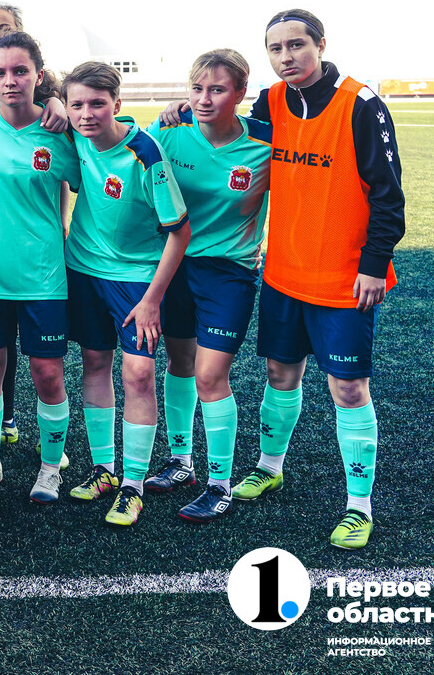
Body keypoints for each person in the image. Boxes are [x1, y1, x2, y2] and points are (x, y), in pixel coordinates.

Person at [161, 10, 402, 548]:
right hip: (283, 272)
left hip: (344, 278)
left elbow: (389, 194)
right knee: (279, 372)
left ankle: (358, 506)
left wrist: (373, 264)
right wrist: (183, 107)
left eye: (296, 45)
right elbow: (225, 127)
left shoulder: (360, 104)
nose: (286, 56)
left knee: (348, 387)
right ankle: (270, 466)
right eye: (276, 48)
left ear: (321, 44)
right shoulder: (271, 102)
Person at [139, 50, 272, 523]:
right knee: (179, 363)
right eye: (197, 89)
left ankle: (220, 484)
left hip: (229, 273)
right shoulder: (169, 132)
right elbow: (125, 155)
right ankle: (181, 461)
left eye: (217, 90)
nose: (204, 99)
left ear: (241, 92)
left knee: (211, 377)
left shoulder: (266, 144)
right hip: (173, 266)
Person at [62, 61, 191, 527]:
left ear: (117, 104)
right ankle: (104, 469)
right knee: (95, 363)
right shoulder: (73, 134)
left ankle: (132, 486)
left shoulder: (145, 154)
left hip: (136, 279)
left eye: (97, 104)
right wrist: (55, 103)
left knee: (138, 374)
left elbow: (179, 232)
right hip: (83, 269)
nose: (86, 114)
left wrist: (152, 300)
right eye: (77, 104)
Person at [0, 31, 81, 503]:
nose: (10, 80)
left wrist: (61, 106)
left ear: (38, 75)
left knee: (48, 374)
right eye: (0, 72)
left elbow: (94, 171)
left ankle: (50, 468)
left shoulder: (60, 131)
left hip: (43, 275)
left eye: (20, 71)